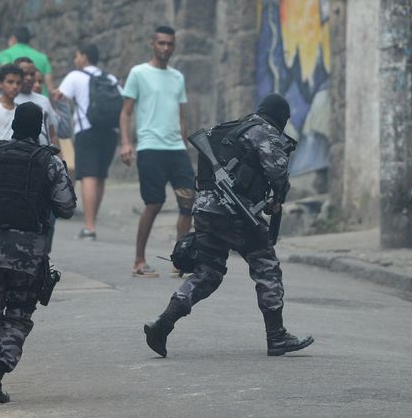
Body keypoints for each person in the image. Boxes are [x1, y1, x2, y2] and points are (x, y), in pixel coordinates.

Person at [143, 93, 313, 357]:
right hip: (234, 211)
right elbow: (277, 172)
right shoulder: (264, 131)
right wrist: (278, 195)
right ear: (280, 117)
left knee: (208, 272)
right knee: (266, 266)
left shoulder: (232, 128)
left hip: (206, 209)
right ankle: (276, 335)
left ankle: (162, 324)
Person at [0, 102, 77, 404]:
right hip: (26, 253)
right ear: (40, 129)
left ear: (13, 126)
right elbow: (66, 207)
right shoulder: (49, 162)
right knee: (18, 316)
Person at [120, 26, 195, 277]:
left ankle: (180, 260)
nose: (165, 48)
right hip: (150, 147)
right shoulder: (138, 73)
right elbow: (126, 112)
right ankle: (139, 261)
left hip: (176, 149)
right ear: (152, 44)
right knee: (154, 203)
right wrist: (126, 143)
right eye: (161, 43)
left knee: (188, 202)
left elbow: (182, 116)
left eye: (170, 44)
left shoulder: (177, 77)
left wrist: (185, 145)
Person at [56, 44, 120, 240]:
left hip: (87, 131)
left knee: (88, 176)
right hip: (111, 131)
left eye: (76, 56)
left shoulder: (75, 76)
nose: (75, 60)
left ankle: (89, 227)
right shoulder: (110, 78)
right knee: (100, 176)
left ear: (84, 57)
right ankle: (93, 220)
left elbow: (59, 97)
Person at [13, 57, 61, 147]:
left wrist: (57, 154)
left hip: (43, 153)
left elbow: (52, 134)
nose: (29, 78)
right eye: (25, 74)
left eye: (32, 74)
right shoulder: (10, 100)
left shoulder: (44, 101)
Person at [0, 26, 54, 97]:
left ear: (13, 39)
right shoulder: (42, 57)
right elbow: (50, 87)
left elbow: (6, 74)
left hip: (17, 97)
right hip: (42, 97)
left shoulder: (5, 54)